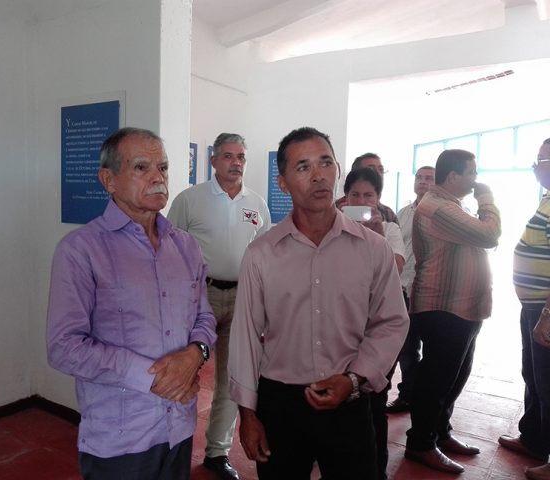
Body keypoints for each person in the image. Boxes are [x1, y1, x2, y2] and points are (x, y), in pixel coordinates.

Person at [228, 126, 409, 480]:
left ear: (337, 170)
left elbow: (391, 321)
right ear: (282, 183)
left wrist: (355, 379)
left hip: (349, 400)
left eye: (325, 162)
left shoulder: (373, 249)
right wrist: (248, 415)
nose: (318, 175)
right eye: (303, 167)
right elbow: (246, 336)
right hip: (280, 406)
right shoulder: (262, 254)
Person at [47, 127, 217, 480]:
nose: (158, 178)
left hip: (179, 424)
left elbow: (204, 317)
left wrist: (194, 354)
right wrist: (153, 377)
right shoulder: (81, 249)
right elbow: (64, 347)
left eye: (164, 167)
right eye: (142, 167)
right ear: (108, 179)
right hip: (121, 434)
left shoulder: (185, 246)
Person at [168, 132, 271, 480]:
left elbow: (266, 254)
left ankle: (217, 452)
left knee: (233, 377)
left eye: (241, 156)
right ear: (213, 161)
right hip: (200, 298)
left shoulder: (256, 203)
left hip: (243, 298)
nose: (236, 162)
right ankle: (174, 447)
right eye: (228, 156)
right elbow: (168, 249)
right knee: (186, 373)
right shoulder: (190, 199)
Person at [405, 149, 501, 475]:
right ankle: (420, 443)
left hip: (463, 308)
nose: (476, 179)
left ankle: (439, 432)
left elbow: (480, 238)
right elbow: (490, 234)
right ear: (453, 177)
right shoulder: (436, 207)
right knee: (436, 379)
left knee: (454, 377)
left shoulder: (452, 206)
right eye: (471, 173)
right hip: (443, 307)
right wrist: (487, 198)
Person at [342, 166, 406, 480]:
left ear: (378, 199)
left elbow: (394, 270)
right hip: (344, 328)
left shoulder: (390, 230)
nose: (362, 200)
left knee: (373, 399)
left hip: (378, 328)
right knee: (345, 399)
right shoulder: (335, 228)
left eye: (368, 195)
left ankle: (375, 468)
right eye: (355, 194)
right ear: (345, 197)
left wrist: (378, 238)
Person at [499, 138, 550, 480]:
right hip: (533, 307)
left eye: (542, 160)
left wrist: (548, 314)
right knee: (533, 376)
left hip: (546, 310)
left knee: (548, 383)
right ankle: (534, 438)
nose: (536, 166)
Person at [386, 166, 436, 414]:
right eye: (419, 177)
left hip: (432, 292)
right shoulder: (403, 214)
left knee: (434, 351)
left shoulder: (446, 214)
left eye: (429, 178)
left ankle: (426, 402)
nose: (423, 182)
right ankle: (407, 395)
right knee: (407, 348)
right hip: (404, 289)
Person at [336, 153, 398, 224]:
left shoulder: (388, 214)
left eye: (381, 170)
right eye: (371, 169)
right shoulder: (335, 209)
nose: (378, 174)